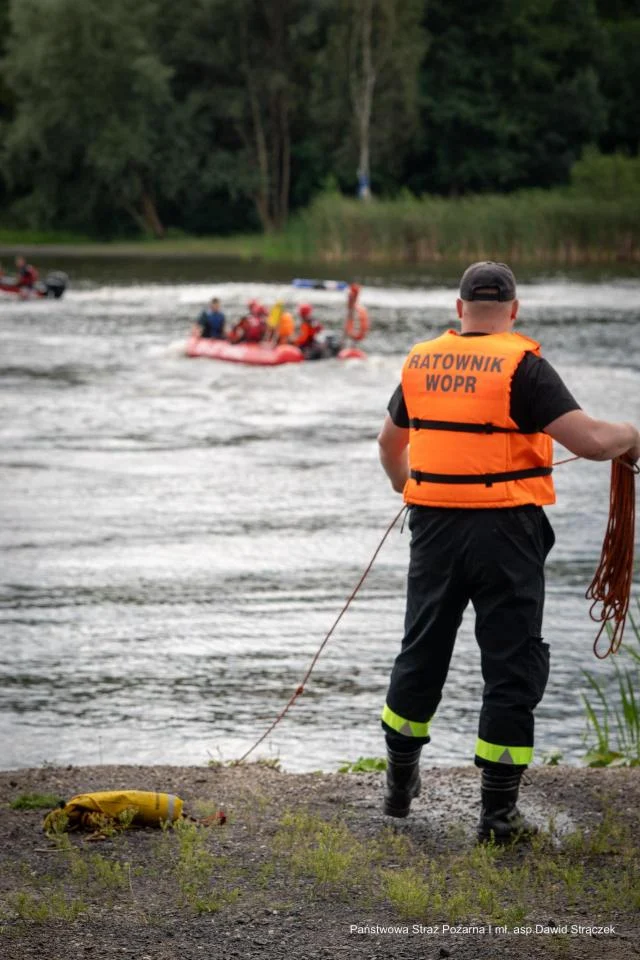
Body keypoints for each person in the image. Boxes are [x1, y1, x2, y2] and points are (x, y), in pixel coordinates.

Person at [377, 261, 640, 843]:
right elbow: (593, 443)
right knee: (511, 664)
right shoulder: (522, 364)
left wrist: (407, 486)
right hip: (507, 536)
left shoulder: (423, 361)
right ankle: (497, 817)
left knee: (421, 649)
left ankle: (399, 785)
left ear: (459, 307)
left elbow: (388, 444)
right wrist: (631, 433)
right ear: (514, 310)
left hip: (435, 530)